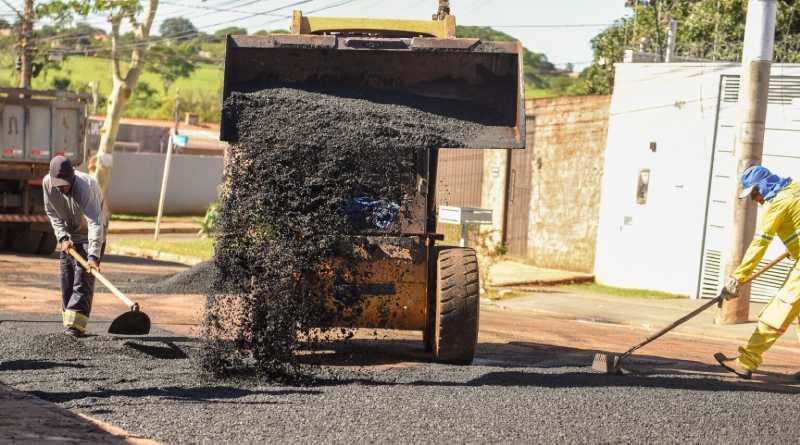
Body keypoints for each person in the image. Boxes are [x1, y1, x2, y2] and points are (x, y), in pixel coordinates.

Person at [715, 165, 799, 379]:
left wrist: (738, 277)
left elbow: (759, 244)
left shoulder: (777, 204)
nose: (755, 200)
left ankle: (747, 361)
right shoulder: (795, 190)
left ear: (763, 186)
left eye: (755, 193)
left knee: (778, 311)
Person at [43, 155, 108, 337]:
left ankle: (75, 328)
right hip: (70, 235)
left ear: (72, 178)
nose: (61, 187)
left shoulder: (84, 187)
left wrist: (93, 257)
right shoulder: (48, 184)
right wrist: (62, 237)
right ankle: (69, 324)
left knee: (82, 279)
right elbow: (51, 212)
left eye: (64, 184)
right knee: (66, 278)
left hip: (90, 235)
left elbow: (96, 223)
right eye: (58, 184)